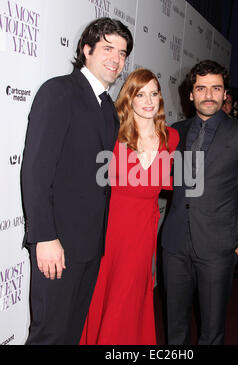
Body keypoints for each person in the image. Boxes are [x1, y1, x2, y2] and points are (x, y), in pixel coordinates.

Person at [21, 18, 133, 345]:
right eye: (108, 48)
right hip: (57, 243)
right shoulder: (59, 91)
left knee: (70, 334)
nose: (116, 58)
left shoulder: (109, 108)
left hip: (89, 246)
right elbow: (36, 170)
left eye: (123, 53)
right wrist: (44, 236)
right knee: (49, 335)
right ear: (87, 50)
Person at [161, 60, 238, 345]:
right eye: (201, 88)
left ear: (225, 94)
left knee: (211, 331)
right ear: (191, 94)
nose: (208, 95)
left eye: (216, 88)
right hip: (174, 243)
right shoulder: (176, 131)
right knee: (174, 326)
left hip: (218, 247)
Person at [79, 68, 179, 345]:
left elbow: (172, 181)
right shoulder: (113, 134)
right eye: (140, 94)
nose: (149, 101)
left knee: (131, 295)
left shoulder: (171, 139)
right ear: (129, 99)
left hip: (144, 229)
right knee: (106, 291)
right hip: (111, 228)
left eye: (154, 94)